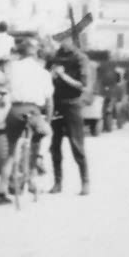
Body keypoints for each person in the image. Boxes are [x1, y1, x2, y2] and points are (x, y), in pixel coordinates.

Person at [0, 38, 53, 204]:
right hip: (33, 112)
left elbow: (3, 89)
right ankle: (38, 160)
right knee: (46, 133)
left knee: (11, 154)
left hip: (15, 111)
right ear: (36, 54)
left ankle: (1, 191)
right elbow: (49, 101)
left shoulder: (11, 68)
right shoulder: (43, 72)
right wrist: (47, 120)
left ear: (20, 53)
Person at [48, 42, 91, 195]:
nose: (62, 42)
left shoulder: (80, 58)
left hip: (72, 104)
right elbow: (45, 77)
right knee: (55, 145)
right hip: (56, 103)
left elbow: (81, 85)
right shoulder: (54, 56)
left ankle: (85, 182)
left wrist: (62, 75)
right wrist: (51, 75)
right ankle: (57, 182)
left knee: (76, 144)